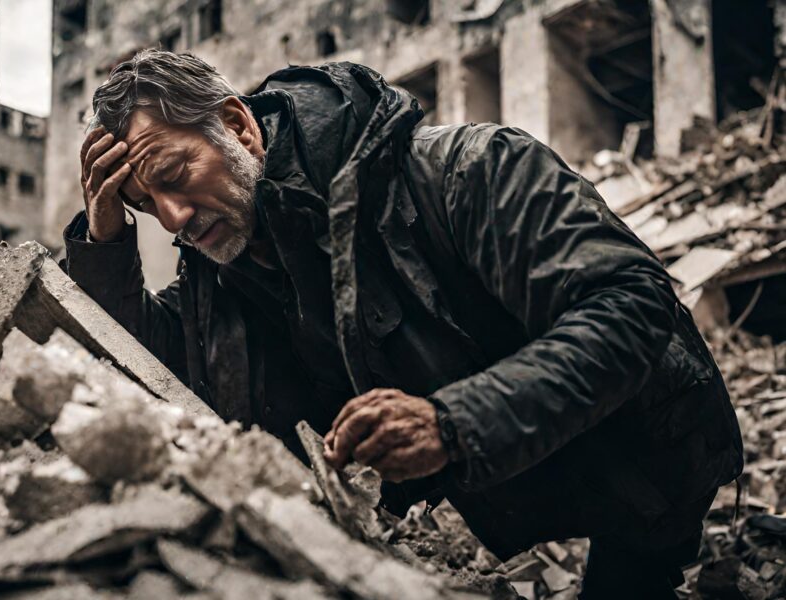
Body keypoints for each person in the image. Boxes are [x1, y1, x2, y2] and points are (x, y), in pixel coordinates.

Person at [61, 49, 743, 598]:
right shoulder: (230, 268)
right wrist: (106, 242)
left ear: (239, 127)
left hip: (640, 470)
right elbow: (158, 376)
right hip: (498, 518)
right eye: (147, 205)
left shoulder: (465, 171)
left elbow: (631, 304)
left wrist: (452, 424)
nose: (174, 217)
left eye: (175, 173)